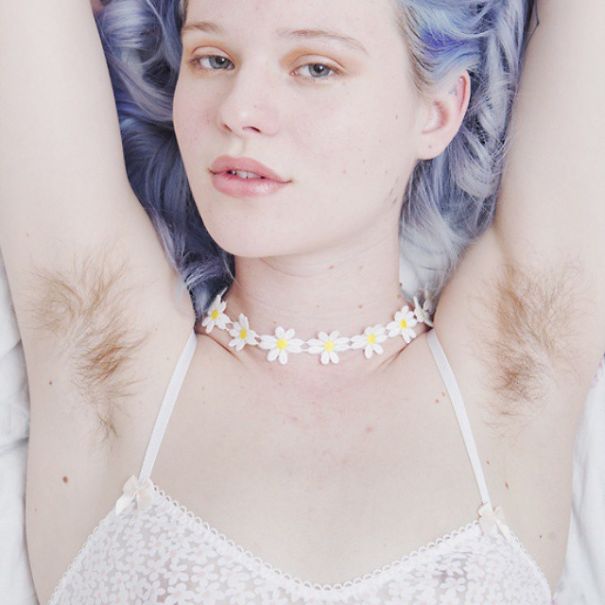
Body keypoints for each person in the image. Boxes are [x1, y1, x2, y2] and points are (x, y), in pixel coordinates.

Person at [0, 0, 603, 603]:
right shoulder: (107, 362)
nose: (238, 110)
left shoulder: (516, 370)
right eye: (213, 59)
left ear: (438, 111)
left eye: (316, 67)